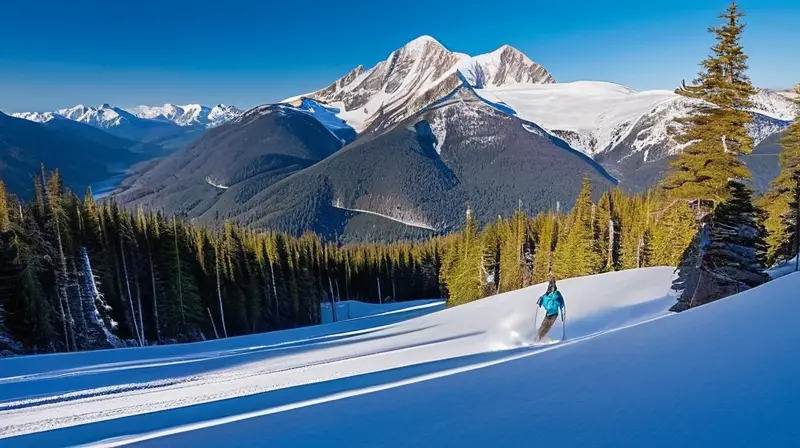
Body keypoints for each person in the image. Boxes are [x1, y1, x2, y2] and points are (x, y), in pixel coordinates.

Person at [536, 276, 565, 341]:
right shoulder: (546, 295)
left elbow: (561, 301)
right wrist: (539, 302)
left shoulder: (557, 294)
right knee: (543, 325)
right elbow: (542, 299)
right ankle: (537, 336)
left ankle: (540, 337)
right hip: (548, 313)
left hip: (554, 313)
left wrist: (561, 306)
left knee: (547, 326)